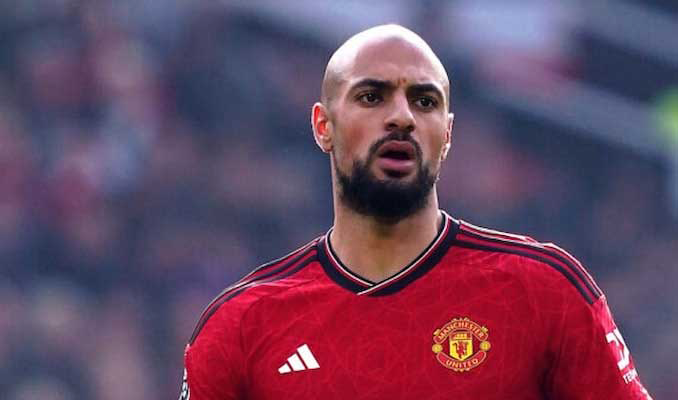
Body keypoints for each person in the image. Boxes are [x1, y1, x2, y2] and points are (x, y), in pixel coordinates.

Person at [179, 24, 652, 400]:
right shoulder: (243, 326)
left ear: (446, 134)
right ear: (324, 126)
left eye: (424, 101)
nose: (402, 117)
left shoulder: (541, 292)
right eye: (371, 96)